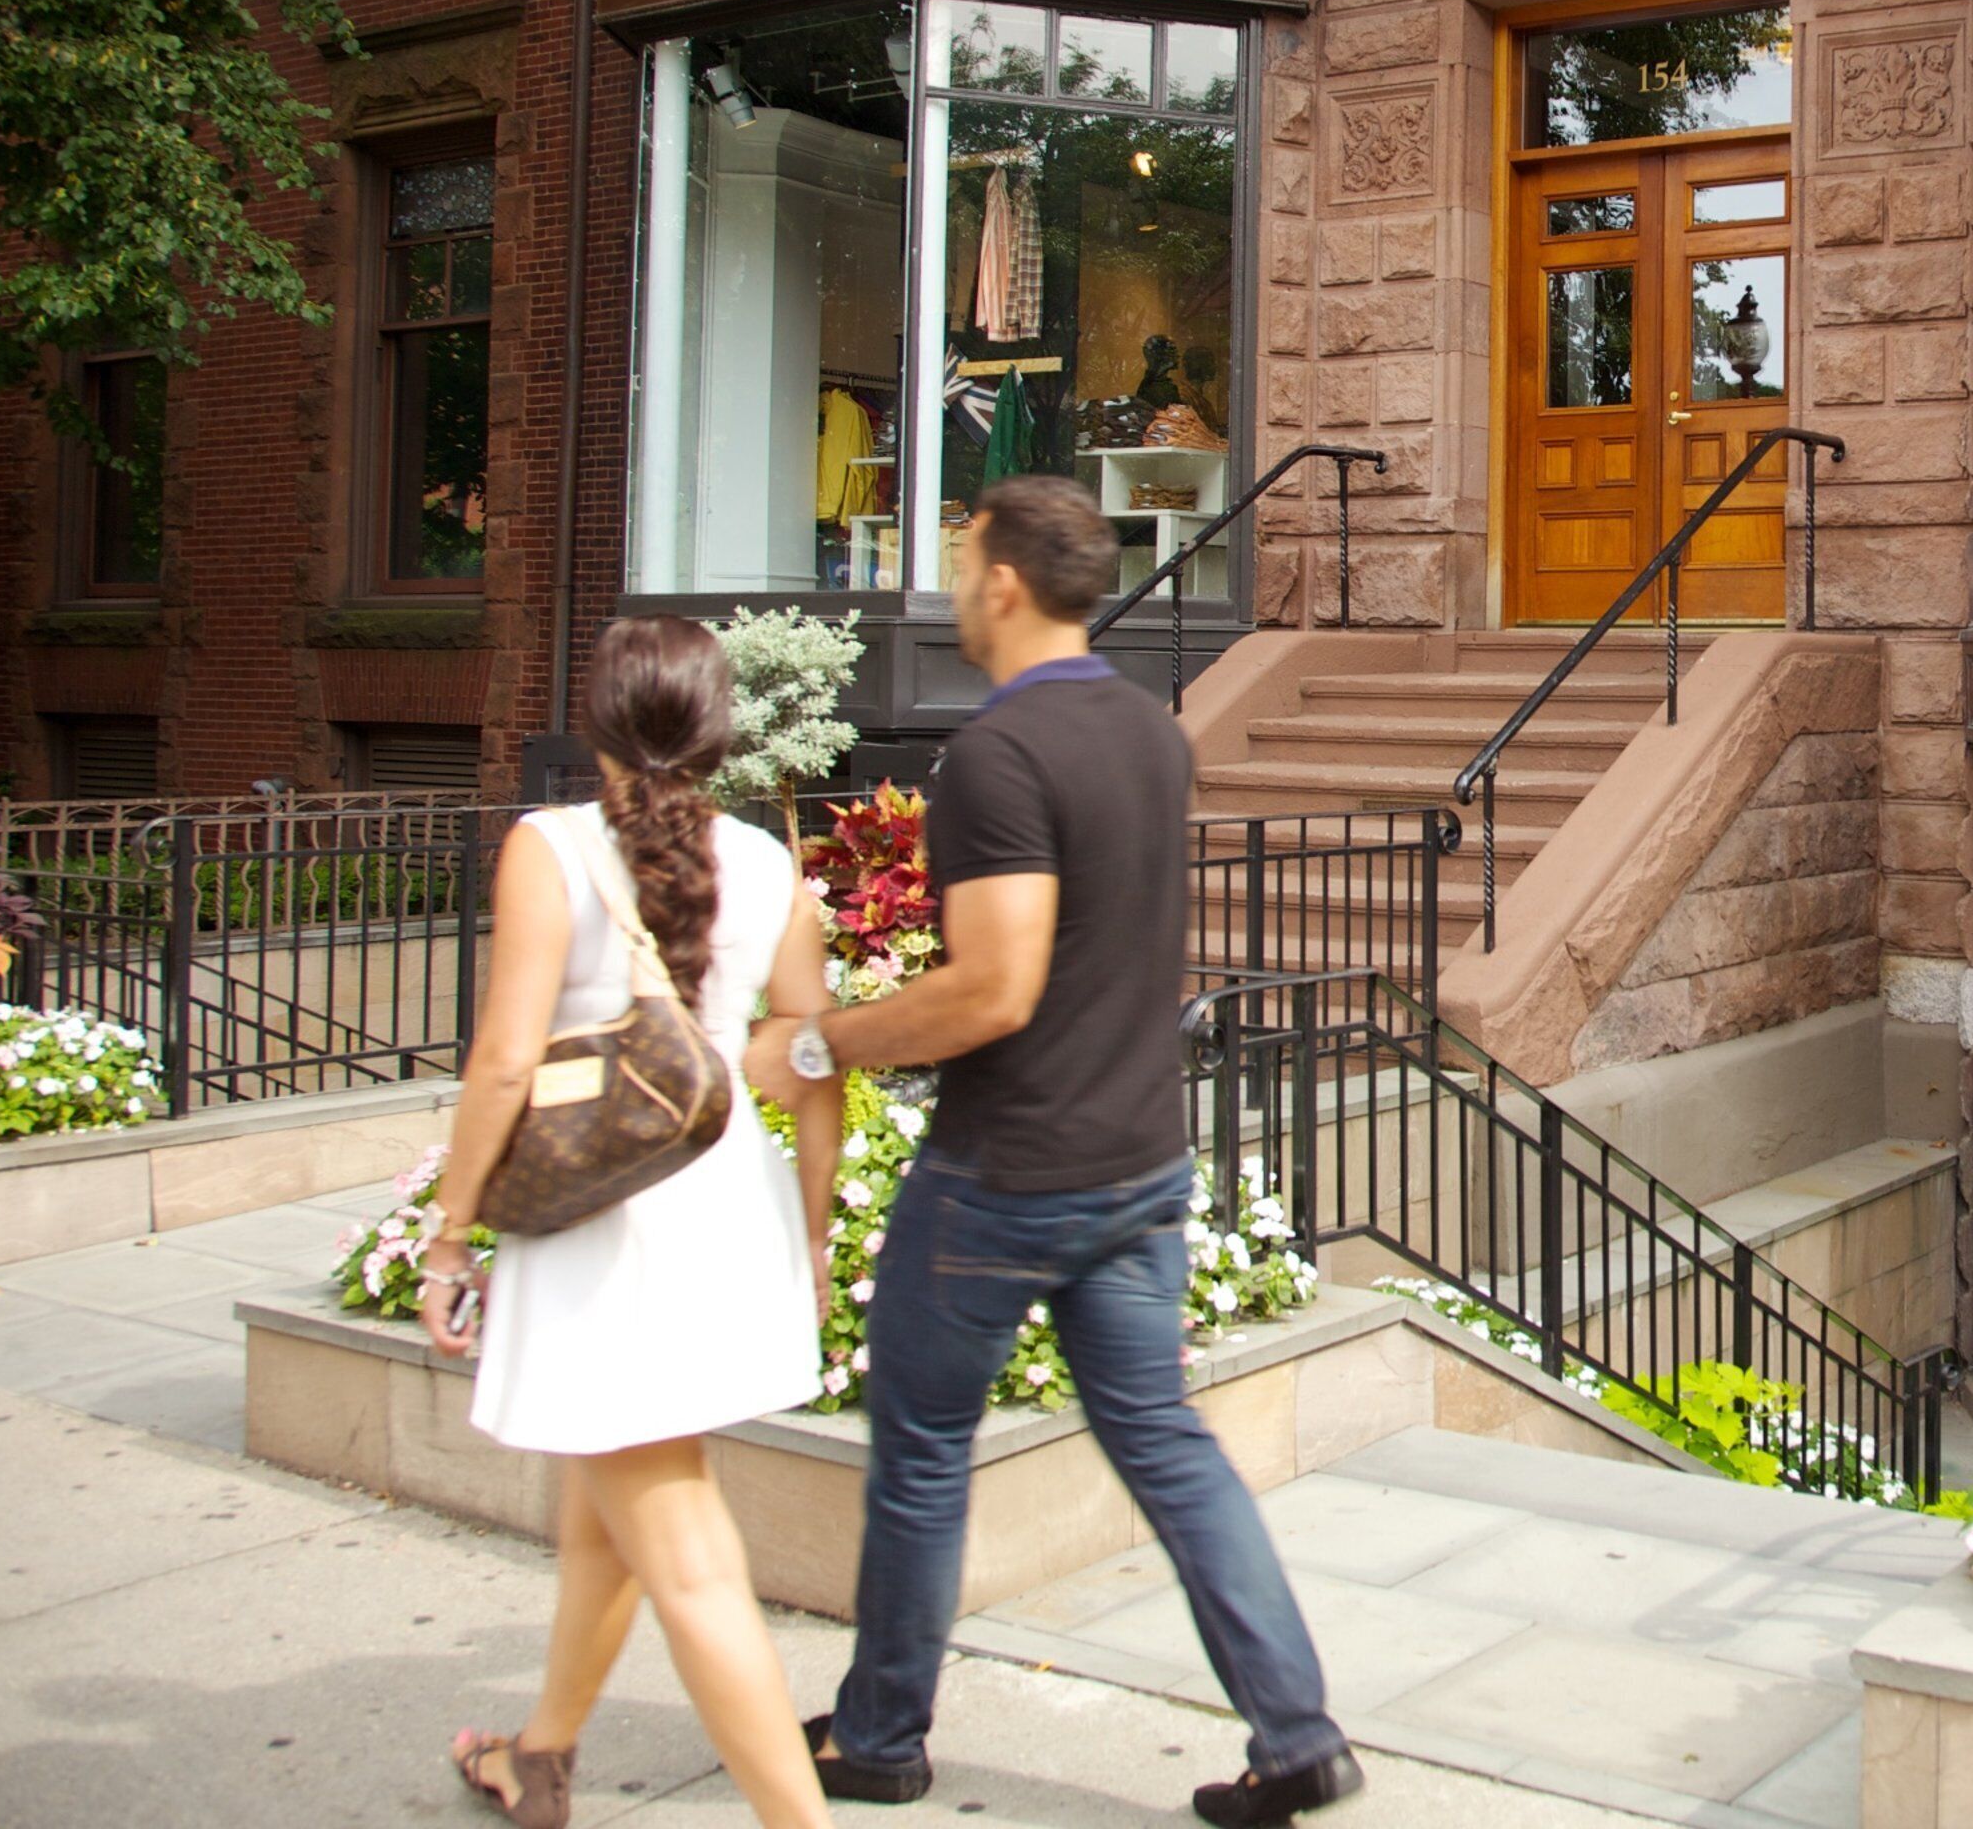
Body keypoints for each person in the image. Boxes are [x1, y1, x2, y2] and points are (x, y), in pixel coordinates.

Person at [755, 475, 1358, 1825]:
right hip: (1139, 1163)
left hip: (1005, 1177)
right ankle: (1298, 1735)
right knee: (1166, 1446)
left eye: (963, 559)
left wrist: (822, 1043)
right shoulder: (1151, 732)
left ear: (1006, 582)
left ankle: (881, 1737)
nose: (953, 584)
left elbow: (994, 987)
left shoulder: (998, 757)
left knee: (921, 1450)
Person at [420, 615, 846, 1829]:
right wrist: (813, 1234)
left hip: (606, 1222)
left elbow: (506, 1061)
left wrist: (450, 1235)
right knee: (611, 1508)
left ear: (597, 720)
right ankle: (541, 1758)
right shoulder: (769, 863)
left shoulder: (549, 847)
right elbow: (813, 1054)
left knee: (687, 1556)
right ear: (717, 728)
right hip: (728, 1202)